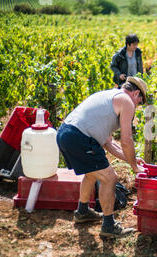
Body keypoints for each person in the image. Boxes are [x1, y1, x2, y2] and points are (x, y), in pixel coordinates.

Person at [56, 76, 147, 238]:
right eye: (140, 102)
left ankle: (83, 211)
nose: (138, 106)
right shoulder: (126, 102)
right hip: (79, 137)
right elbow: (127, 140)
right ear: (136, 94)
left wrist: (131, 160)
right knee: (110, 178)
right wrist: (134, 167)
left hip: (65, 133)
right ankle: (109, 226)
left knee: (92, 173)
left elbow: (108, 143)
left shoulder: (110, 97)